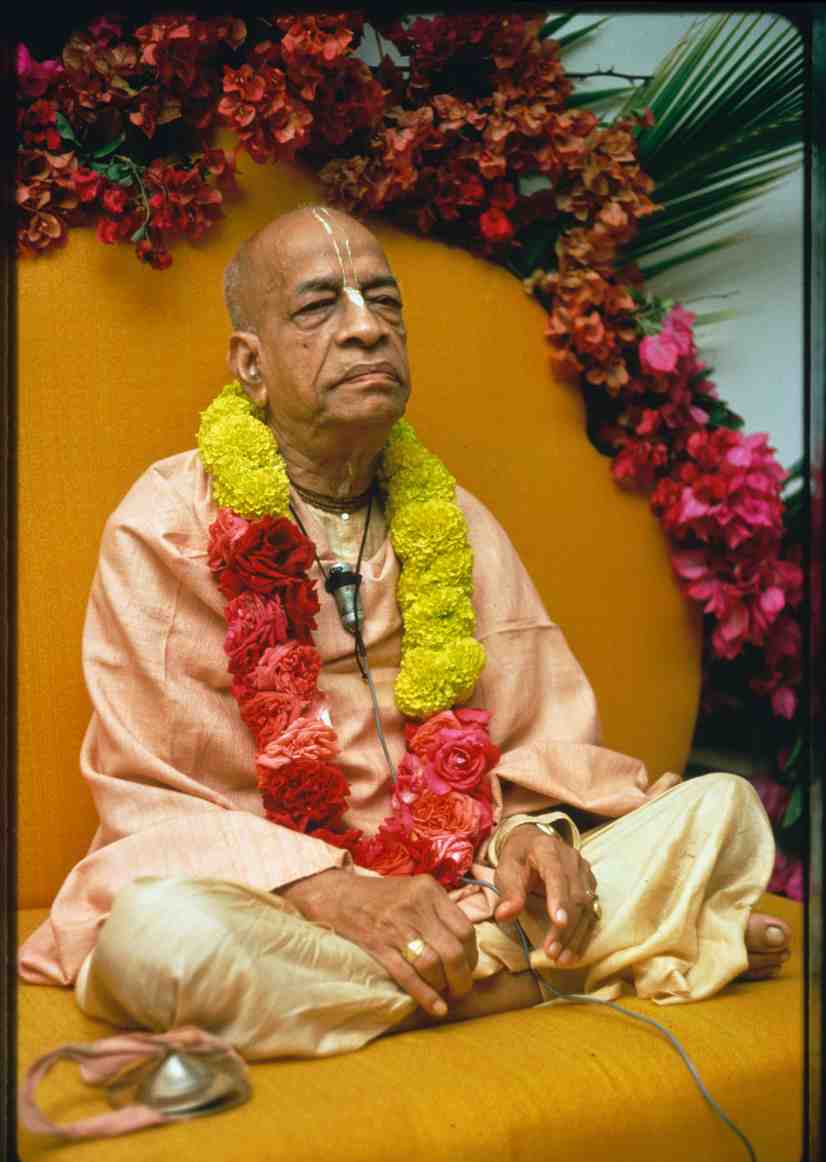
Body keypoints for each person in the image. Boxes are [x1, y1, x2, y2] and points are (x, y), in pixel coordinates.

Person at [18, 206, 791, 1061]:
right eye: (320, 306)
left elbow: (541, 740)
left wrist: (529, 836)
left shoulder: (453, 519)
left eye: (383, 302)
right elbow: (155, 794)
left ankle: (452, 974)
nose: (366, 328)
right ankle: (552, 970)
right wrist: (329, 888)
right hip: (281, 905)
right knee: (159, 944)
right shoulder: (166, 527)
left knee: (720, 811)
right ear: (251, 364)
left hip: (472, 885)